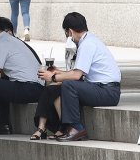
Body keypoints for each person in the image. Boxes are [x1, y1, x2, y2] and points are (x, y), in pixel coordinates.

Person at [36, 12, 122, 142]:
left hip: (108, 91)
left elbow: (76, 76)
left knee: (68, 85)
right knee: (55, 90)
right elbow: (79, 73)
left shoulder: (87, 44)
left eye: (67, 34)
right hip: (101, 88)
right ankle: (63, 128)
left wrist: (52, 77)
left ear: (70, 31)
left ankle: (77, 128)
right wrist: (58, 72)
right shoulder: (90, 40)